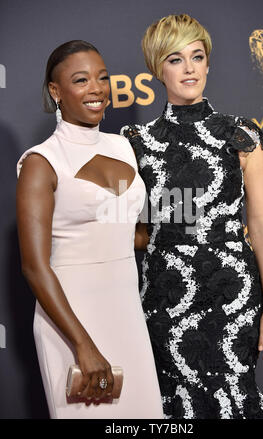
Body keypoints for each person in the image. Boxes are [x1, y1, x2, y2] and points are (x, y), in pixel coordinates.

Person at [121, 14, 263, 419]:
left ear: (209, 62)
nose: (190, 68)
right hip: (165, 295)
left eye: (197, 56)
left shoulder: (240, 135)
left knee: (233, 397)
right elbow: (132, 229)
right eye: (175, 59)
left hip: (231, 294)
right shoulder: (134, 143)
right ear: (157, 69)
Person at [16, 40, 163, 419]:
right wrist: (83, 345)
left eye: (102, 78)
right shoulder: (42, 161)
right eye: (81, 80)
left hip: (128, 315)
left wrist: (208, 223)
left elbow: (126, 233)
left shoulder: (122, 147)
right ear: (56, 92)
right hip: (72, 324)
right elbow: (34, 266)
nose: (96, 88)